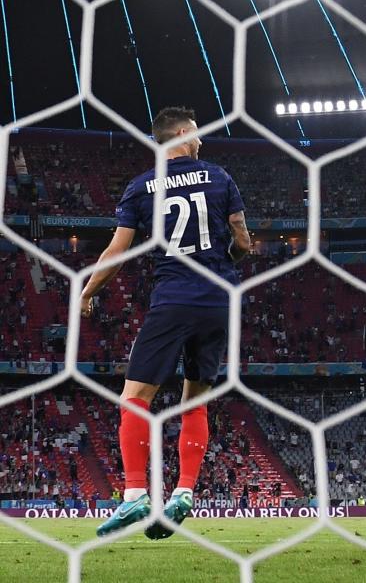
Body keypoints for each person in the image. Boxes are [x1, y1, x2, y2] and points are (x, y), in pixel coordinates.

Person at [81, 107, 250, 539]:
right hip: (218, 301)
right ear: (179, 133)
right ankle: (184, 494)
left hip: (172, 298)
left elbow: (116, 253)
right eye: (196, 132)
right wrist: (222, 266)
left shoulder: (140, 188)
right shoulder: (220, 176)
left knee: (134, 396)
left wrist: (87, 292)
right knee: (195, 400)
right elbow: (244, 242)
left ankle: (135, 494)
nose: (201, 139)